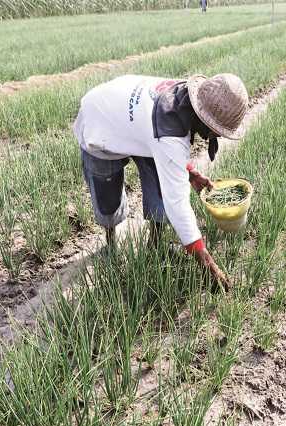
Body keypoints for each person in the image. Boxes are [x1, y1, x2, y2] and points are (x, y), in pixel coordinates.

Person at [73, 74, 249, 291]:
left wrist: (190, 173)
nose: (217, 135)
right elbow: (178, 205)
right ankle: (110, 243)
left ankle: (154, 245)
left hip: (138, 125)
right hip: (100, 123)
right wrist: (208, 265)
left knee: (158, 187)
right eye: (216, 130)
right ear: (203, 117)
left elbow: (165, 148)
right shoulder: (168, 129)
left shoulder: (185, 100)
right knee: (107, 199)